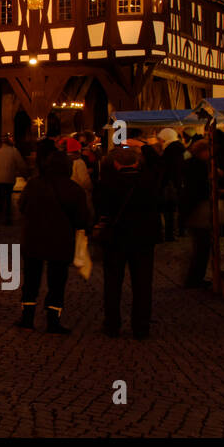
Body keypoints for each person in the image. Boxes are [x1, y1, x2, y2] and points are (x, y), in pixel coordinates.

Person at [16, 146, 90, 333]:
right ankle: (53, 319)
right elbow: (82, 220)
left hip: (33, 240)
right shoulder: (74, 189)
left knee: (31, 280)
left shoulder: (34, 184)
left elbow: (21, 206)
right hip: (60, 242)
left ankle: (27, 317)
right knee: (57, 282)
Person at [94, 141, 163, 339]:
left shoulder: (106, 184)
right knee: (142, 283)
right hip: (143, 239)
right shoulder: (148, 181)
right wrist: (144, 145)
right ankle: (141, 326)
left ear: (115, 164)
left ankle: (112, 324)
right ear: (137, 163)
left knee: (113, 282)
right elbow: (160, 165)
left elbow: (100, 209)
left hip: (116, 238)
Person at [181, 139, 214, 288]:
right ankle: (195, 279)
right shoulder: (199, 166)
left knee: (200, 246)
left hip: (191, 209)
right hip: (198, 209)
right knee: (202, 246)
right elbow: (201, 188)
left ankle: (193, 278)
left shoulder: (189, 163)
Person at [155, 127, 186, 241]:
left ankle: (170, 234)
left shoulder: (170, 150)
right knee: (174, 210)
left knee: (169, 210)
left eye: (162, 139)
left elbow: (168, 169)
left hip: (170, 184)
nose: (160, 141)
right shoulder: (179, 148)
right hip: (177, 183)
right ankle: (177, 231)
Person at [0, 134, 27, 225]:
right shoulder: (14, 151)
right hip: (8, 178)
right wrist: (25, 176)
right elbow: (21, 165)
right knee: (7, 198)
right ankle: (7, 218)